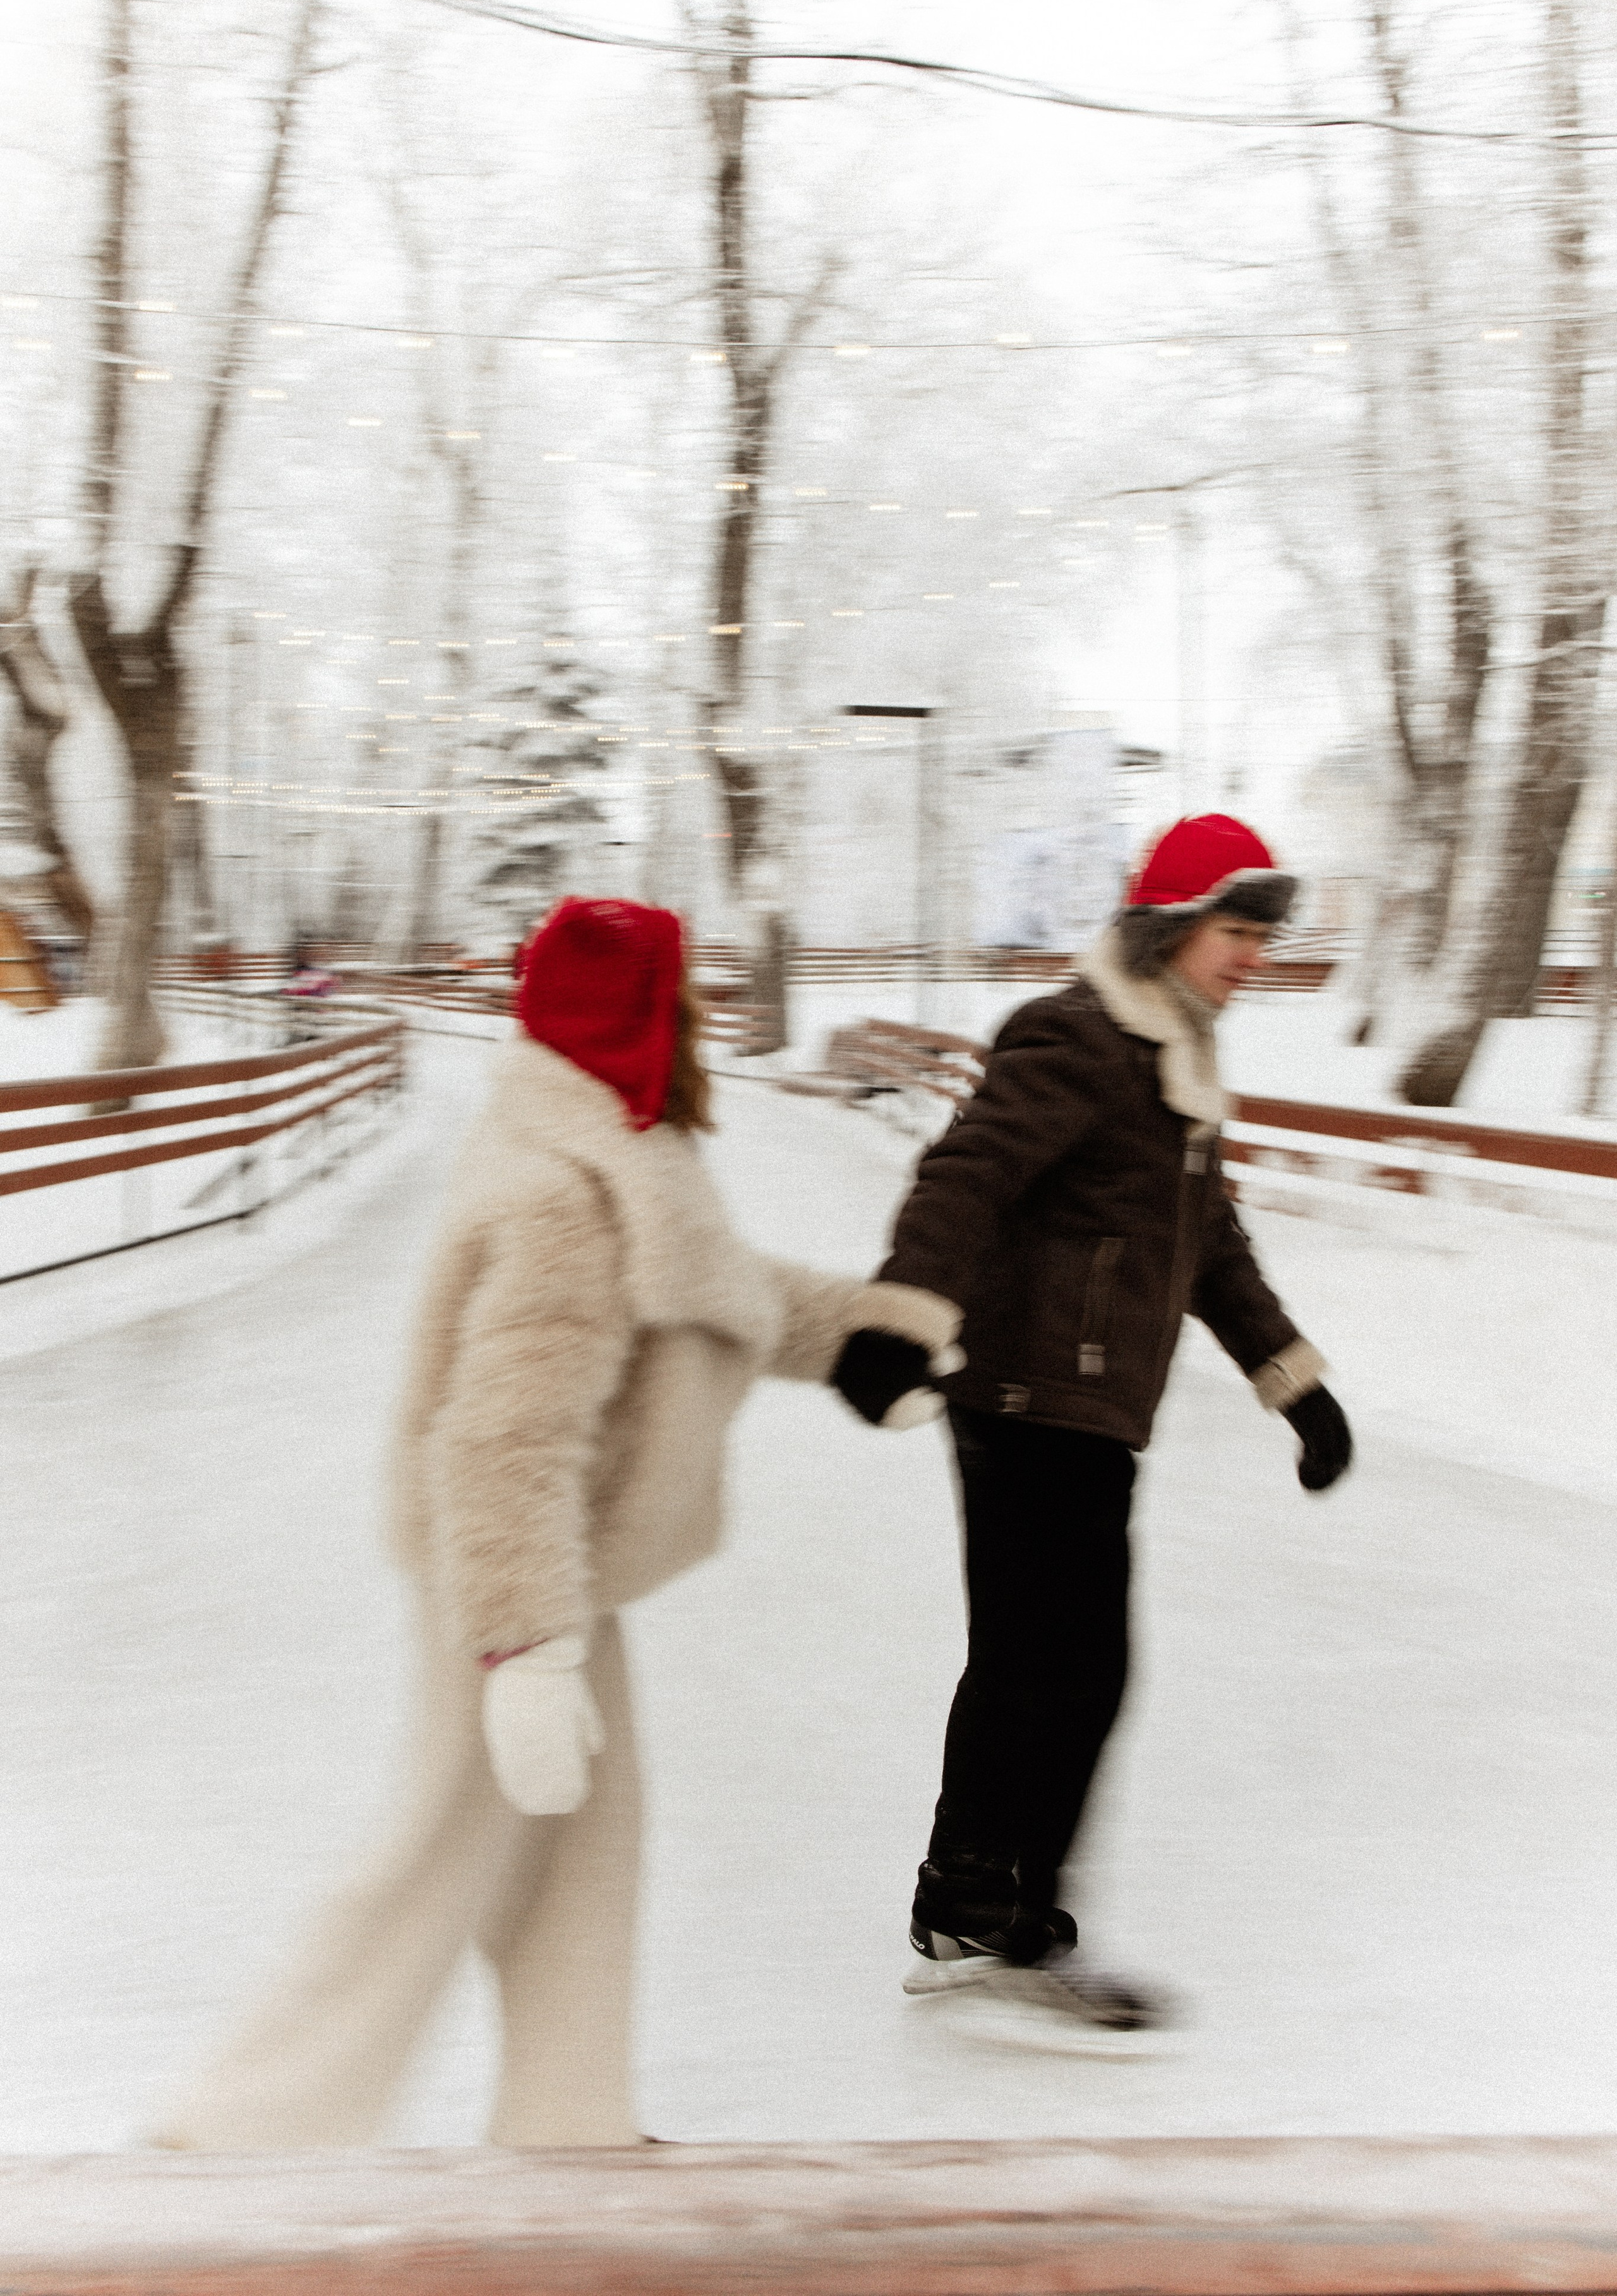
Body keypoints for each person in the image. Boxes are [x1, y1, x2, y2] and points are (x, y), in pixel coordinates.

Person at [157, 897, 960, 2148]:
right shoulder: (565, 1198)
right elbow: (501, 1441)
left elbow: (716, 1288)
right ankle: (245, 2130)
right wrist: (522, 1652)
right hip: (508, 1590)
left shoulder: (613, 1150)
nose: (696, 1018)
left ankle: (565, 2117)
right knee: (440, 1851)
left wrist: (865, 1334)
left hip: (551, 1581)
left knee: (580, 1853)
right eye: (680, 997)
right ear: (641, 1016)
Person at [833, 814, 1353, 2043]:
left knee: (1045, 1661)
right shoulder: (1077, 1033)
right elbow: (967, 1171)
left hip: (1085, 1401)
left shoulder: (1170, 1056)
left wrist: (1291, 1378)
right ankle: (1001, 1924)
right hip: (1027, 1392)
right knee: (1059, 1663)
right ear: (1171, 926)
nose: (1250, 957)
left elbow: (1207, 1245)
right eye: (1236, 931)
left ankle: (977, 1911)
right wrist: (896, 1317)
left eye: (1262, 936)